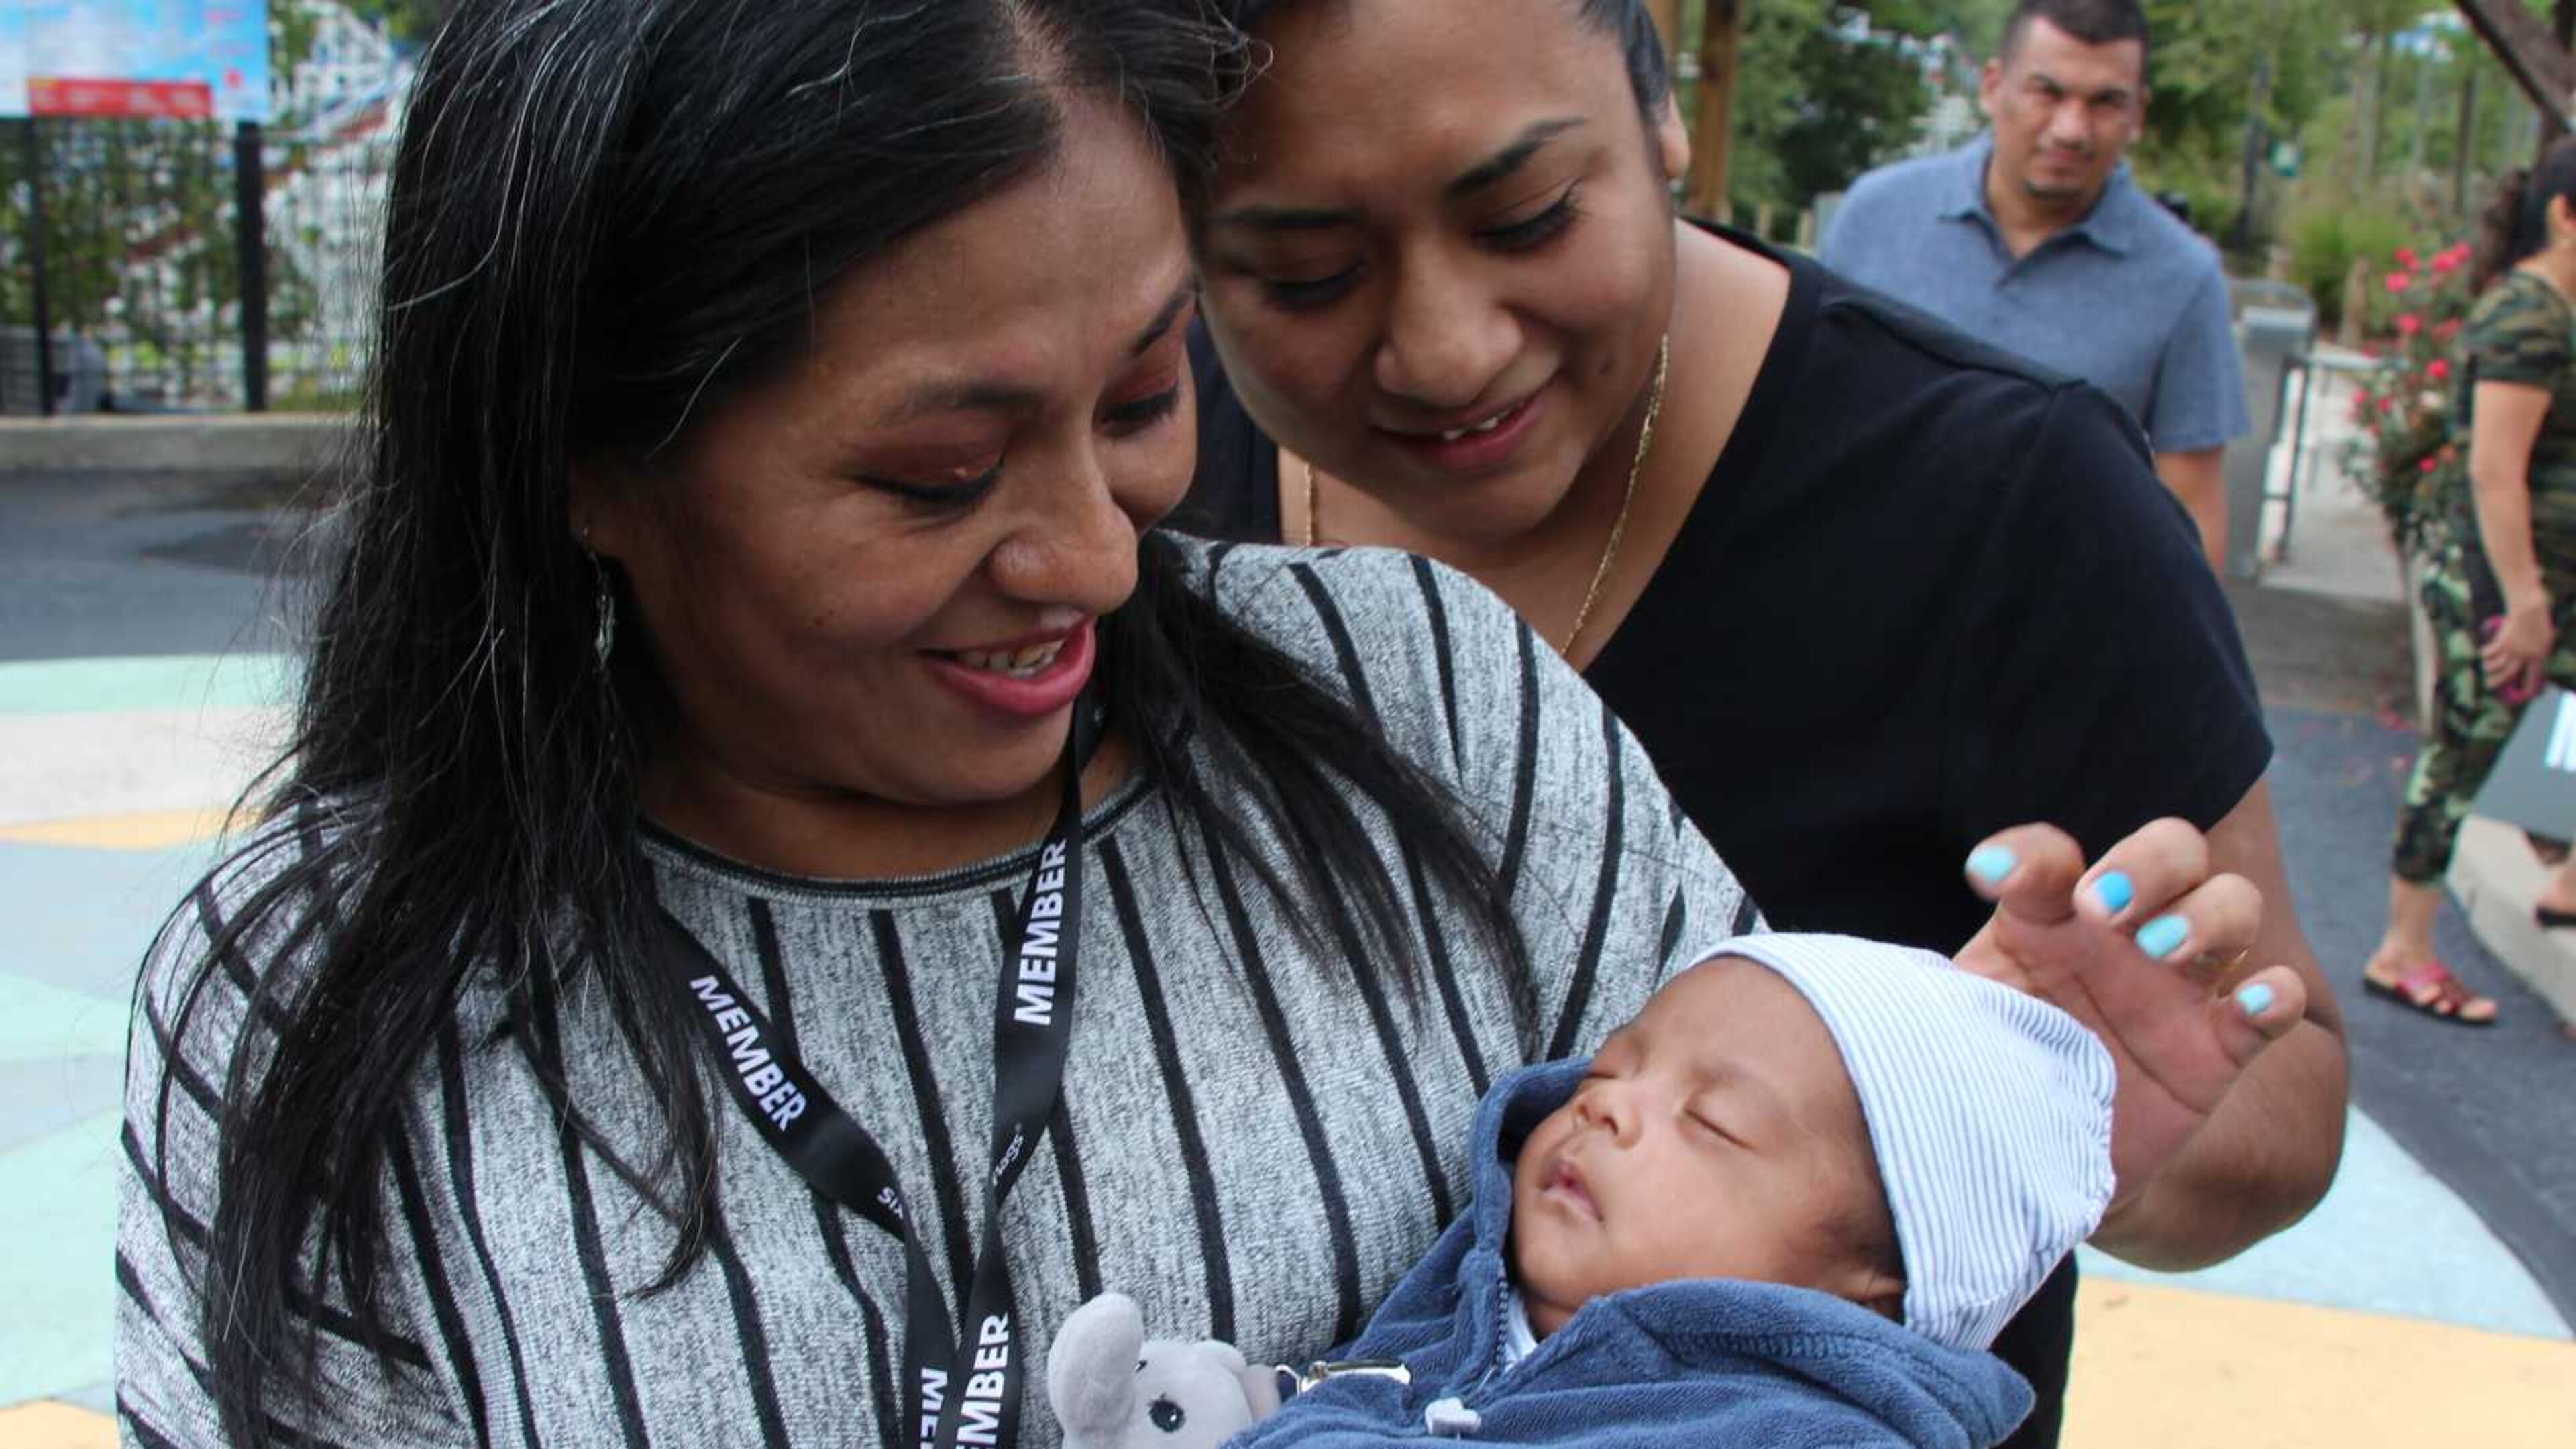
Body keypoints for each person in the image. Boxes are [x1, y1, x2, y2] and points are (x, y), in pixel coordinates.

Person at [110, 3, 2280, 1448]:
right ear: (585, 459)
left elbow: (1798, 1320)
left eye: (1148, 399)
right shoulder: (311, 1003)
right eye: (939, 474)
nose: (1094, 551)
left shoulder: (1445, 715)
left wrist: (1944, 1093)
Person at [1177, 1, 2347, 1444]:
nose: (1444, 352)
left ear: (1662, 113)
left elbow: (2283, 1088)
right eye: (1304, 276)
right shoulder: (1125, 473)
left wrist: (2096, 1139)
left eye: (1530, 215)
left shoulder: (2010, 508)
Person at [1081, 932, 2153, 1448]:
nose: (1609, 1107)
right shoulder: (1480, 1300)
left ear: (1874, 1287)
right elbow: (1363, 1391)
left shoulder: (1798, 1433)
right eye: (1607, 1069)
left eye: (1714, 1121)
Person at [1821, 0, 2247, 569]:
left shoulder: (2183, 278)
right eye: (2047, 92)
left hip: (2060, 628)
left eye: (2105, 103)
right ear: (1993, 85)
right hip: (1868, 592)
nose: (2071, 129)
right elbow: (1812, 424)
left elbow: (2190, 507)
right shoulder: (1875, 217)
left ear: (2138, 113)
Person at [2365, 140, 2576, 1026]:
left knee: (2563, 734)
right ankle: (2401, 951)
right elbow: (2495, 471)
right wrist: (2524, 604)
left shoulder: (2560, 311)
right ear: (2567, 215)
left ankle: (2564, 874)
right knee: (2465, 757)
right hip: (2502, 591)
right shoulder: (2529, 316)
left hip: (2550, 589)